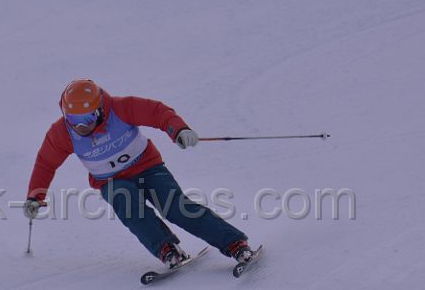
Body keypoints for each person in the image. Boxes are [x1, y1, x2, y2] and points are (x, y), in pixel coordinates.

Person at [24, 79, 255, 268]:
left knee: (175, 207)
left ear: (100, 110)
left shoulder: (120, 108)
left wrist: (179, 130)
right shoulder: (62, 133)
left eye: (87, 119)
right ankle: (166, 249)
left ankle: (235, 243)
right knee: (127, 204)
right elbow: (46, 163)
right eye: (73, 120)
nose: (80, 127)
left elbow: (158, 112)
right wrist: (35, 197)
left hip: (148, 168)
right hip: (111, 181)